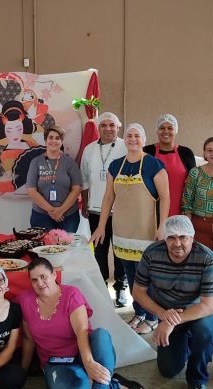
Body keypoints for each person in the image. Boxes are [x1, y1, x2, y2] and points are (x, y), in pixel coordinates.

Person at [20, 257, 146, 389]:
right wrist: (22, 372)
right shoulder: (25, 299)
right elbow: (27, 339)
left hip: (84, 350)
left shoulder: (71, 293)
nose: (40, 283)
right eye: (34, 280)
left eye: (44, 277)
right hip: (55, 362)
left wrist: (89, 363)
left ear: (54, 274)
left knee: (101, 335)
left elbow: (81, 330)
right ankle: (114, 386)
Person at [132, 215, 213, 389]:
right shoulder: (152, 253)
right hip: (167, 312)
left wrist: (170, 321)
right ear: (164, 238)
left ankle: (197, 379)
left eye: (183, 237)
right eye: (171, 237)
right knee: (168, 370)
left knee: (205, 331)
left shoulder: (206, 258)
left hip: (197, 313)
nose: (177, 243)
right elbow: (138, 292)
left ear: (192, 237)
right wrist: (163, 314)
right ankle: (187, 343)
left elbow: (207, 306)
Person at [90, 123, 169, 330]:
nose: (133, 139)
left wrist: (162, 226)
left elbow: (165, 197)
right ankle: (139, 312)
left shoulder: (154, 164)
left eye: (137, 135)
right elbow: (108, 197)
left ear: (143, 139)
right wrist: (100, 227)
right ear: (124, 140)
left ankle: (152, 317)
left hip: (146, 229)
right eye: (129, 136)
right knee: (130, 275)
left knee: (147, 276)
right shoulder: (116, 165)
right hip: (122, 229)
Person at [80, 112, 128, 306]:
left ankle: (121, 289)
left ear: (118, 127)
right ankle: (102, 287)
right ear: (98, 128)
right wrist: (84, 203)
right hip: (95, 210)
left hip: (121, 210)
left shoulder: (126, 146)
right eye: (104, 125)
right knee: (99, 251)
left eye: (112, 125)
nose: (108, 128)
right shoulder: (89, 149)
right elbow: (84, 180)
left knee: (120, 252)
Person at [26, 126, 82, 232]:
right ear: (45, 140)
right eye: (50, 137)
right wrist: (52, 211)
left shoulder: (70, 162)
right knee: (44, 247)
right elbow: (31, 190)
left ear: (61, 142)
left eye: (57, 138)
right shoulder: (36, 162)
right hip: (41, 215)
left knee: (66, 247)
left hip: (68, 215)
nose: (53, 141)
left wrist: (61, 210)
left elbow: (77, 188)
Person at [143, 114, 196, 217]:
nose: (166, 131)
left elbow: (193, 184)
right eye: (162, 128)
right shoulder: (147, 151)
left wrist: (189, 213)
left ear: (175, 130)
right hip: (151, 213)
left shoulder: (186, 153)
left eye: (170, 128)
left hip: (179, 212)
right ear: (157, 131)